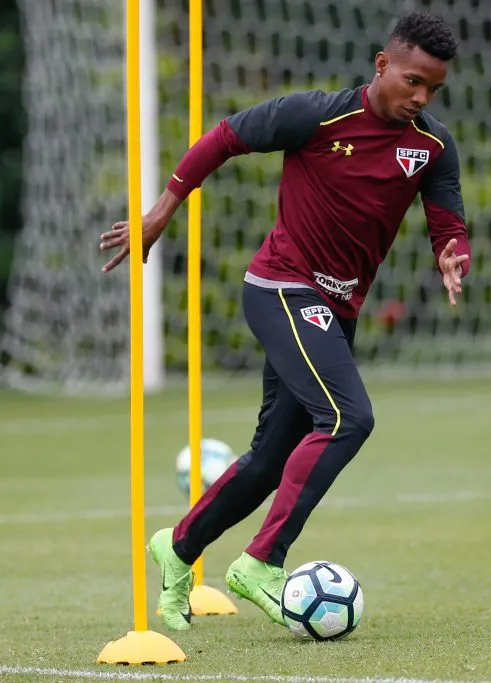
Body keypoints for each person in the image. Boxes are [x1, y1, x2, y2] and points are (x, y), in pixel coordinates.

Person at [99, 11, 470, 631]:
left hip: (334, 308)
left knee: (270, 458)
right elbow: (225, 138)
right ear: (382, 65)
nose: (421, 98)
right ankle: (262, 562)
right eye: (412, 81)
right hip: (281, 287)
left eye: (433, 89)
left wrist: (451, 254)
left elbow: (446, 218)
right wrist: (162, 210)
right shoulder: (317, 115)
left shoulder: (431, 145)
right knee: (349, 418)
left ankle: (179, 546)